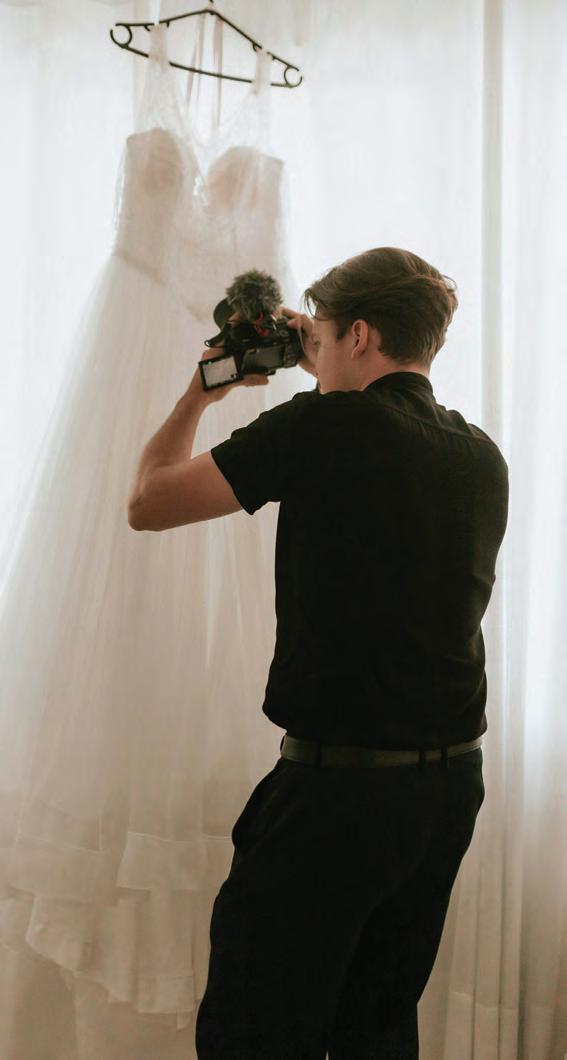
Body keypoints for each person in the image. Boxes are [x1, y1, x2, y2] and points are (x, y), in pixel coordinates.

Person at [130, 245, 509, 1059]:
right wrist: (328, 356)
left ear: (360, 335)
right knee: (376, 1027)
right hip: (447, 790)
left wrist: (203, 390)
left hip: (340, 794)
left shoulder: (317, 428)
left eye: (328, 334)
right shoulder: (481, 456)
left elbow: (148, 500)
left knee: (254, 1031)